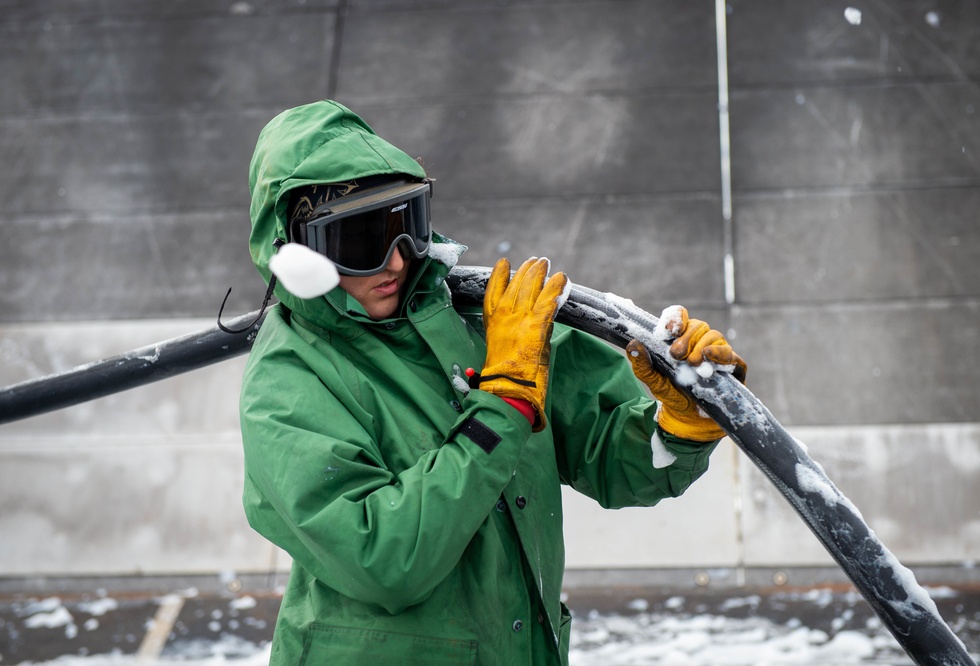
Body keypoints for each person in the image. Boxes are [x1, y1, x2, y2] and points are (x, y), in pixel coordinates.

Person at [238, 100, 747, 665]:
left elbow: (611, 460)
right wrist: (502, 403)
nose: (395, 263)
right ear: (298, 251)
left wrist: (678, 425)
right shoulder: (286, 380)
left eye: (403, 226)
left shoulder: (487, 326)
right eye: (360, 243)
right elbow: (383, 559)